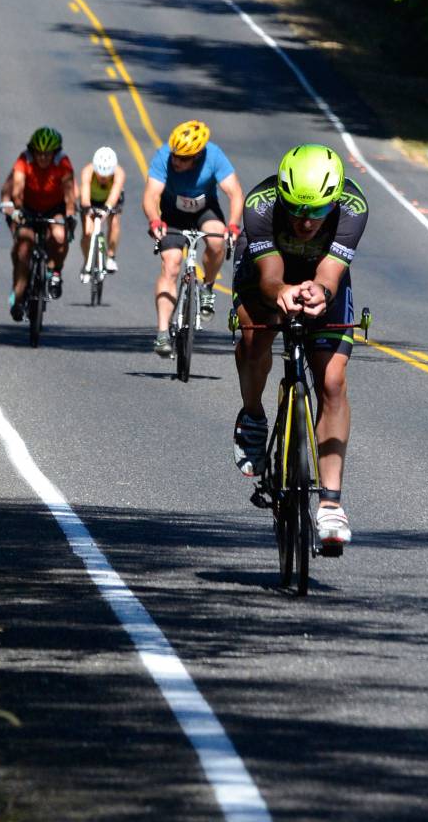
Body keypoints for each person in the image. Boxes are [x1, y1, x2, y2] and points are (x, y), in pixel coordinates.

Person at [231, 144, 369, 547]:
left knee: (333, 381)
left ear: (335, 199)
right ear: (282, 195)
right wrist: (281, 292)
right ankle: (253, 416)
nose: (306, 222)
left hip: (319, 277)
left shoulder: (353, 207)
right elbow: (270, 275)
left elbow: (330, 271)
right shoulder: (259, 205)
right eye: (296, 209)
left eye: (317, 212)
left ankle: (330, 503)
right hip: (266, 273)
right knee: (256, 337)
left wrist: (320, 291)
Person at [142, 119, 243, 356]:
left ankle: (207, 286)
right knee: (171, 265)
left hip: (204, 210)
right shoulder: (164, 156)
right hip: (173, 214)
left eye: (184, 159)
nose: (176, 161)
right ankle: (162, 333)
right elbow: (150, 195)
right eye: (175, 156)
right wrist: (155, 220)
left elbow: (235, 193)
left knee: (217, 241)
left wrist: (233, 226)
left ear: (197, 156)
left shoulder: (215, 156)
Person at [5, 127, 77, 321]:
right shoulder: (25, 159)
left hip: (54, 207)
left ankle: (55, 272)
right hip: (28, 206)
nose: (43, 158)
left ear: (54, 153)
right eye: (39, 153)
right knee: (23, 249)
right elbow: (17, 188)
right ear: (32, 151)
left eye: (47, 154)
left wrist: (70, 214)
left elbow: (70, 193)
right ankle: (18, 298)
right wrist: (17, 210)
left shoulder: (62, 162)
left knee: (60, 235)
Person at [79, 146, 125, 281]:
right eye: (100, 175)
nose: (103, 178)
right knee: (88, 232)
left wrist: (107, 209)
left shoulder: (119, 173)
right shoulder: (88, 171)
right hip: (91, 201)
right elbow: (85, 195)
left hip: (110, 200)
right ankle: (87, 263)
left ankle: (111, 256)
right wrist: (87, 209)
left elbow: (115, 193)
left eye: (107, 176)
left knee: (114, 222)